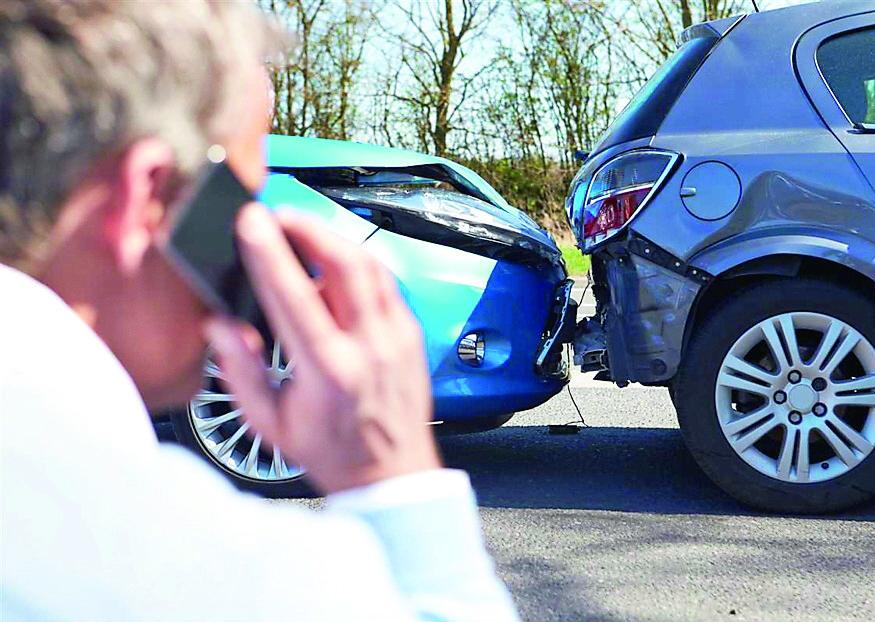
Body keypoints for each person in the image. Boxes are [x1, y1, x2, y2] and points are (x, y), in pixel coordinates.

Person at [0, 1, 519, 620]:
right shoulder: (153, 555)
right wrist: (391, 471)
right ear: (146, 200)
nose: (253, 244)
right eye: (239, 203)